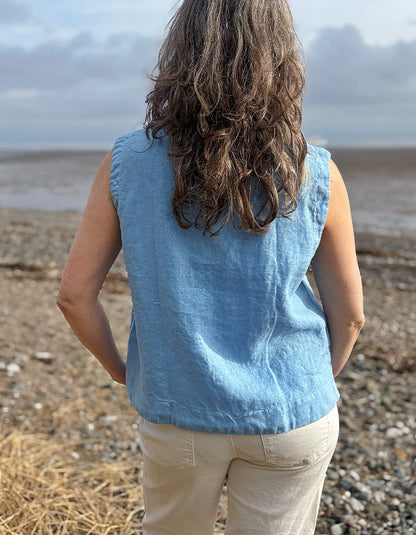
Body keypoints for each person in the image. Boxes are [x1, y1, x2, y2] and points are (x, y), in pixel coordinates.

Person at [56, 0, 365, 533]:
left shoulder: (127, 162)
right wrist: (306, 383)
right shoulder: (316, 171)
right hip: (293, 411)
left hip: (178, 408)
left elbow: (74, 294)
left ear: (182, 50)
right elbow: (352, 315)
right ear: (281, 56)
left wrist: (128, 374)